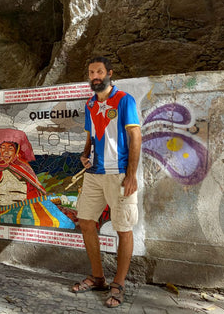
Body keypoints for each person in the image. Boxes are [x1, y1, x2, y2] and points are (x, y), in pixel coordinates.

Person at [70, 57, 141, 309]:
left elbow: (135, 136)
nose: (95, 76)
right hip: (94, 174)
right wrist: (84, 153)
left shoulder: (124, 100)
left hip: (120, 173)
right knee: (87, 221)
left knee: (123, 227)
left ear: (109, 73)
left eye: (99, 71)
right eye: (91, 72)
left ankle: (118, 284)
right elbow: (90, 138)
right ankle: (98, 278)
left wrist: (131, 175)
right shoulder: (90, 103)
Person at [0, 128, 46, 215]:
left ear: (16, 151)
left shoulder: (24, 168)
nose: (6, 152)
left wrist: (30, 205)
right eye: (3, 148)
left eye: (10, 148)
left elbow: (33, 190)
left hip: (21, 209)